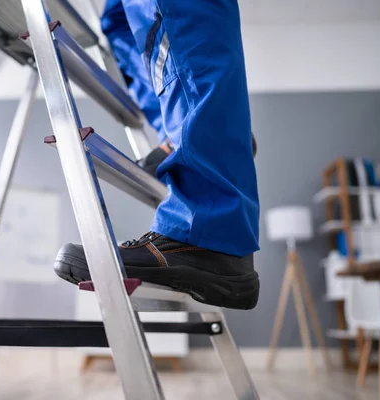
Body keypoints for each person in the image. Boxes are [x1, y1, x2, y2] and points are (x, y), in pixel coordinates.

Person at [54, 0, 260, 310]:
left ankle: (205, 232)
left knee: (179, 9)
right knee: (121, 22)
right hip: (199, 127)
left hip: (210, 228)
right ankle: (192, 133)